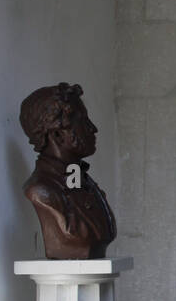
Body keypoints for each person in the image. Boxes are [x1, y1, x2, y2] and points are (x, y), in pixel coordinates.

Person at [19, 83, 116, 260]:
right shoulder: (41, 191)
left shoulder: (80, 179)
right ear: (57, 135)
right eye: (82, 121)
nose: (93, 128)